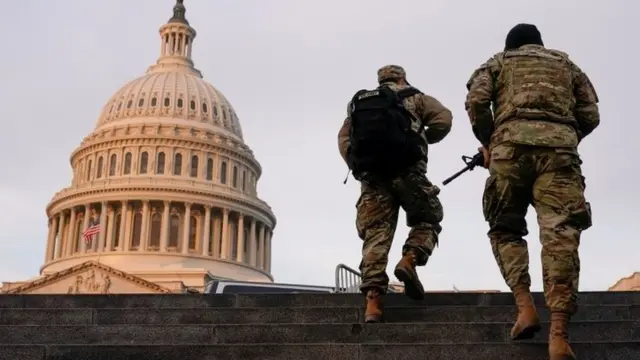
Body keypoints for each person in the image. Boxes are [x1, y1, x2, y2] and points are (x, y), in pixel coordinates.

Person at [465, 24, 600, 360]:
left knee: (504, 228)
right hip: (559, 154)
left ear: (511, 46)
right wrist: (562, 136)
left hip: (508, 151)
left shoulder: (497, 62)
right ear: (540, 44)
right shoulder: (567, 66)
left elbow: (477, 101)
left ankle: (525, 307)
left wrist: (489, 142)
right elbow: (591, 114)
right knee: (560, 236)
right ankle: (558, 336)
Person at [337, 65, 452, 323]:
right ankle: (410, 259)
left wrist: (356, 165)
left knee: (376, 237)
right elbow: (444, 120)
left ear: (380, 81)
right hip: (409, 173)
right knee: (429, 218)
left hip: (373, 180)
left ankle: (373, 305)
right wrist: (421, 139)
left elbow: (344, 138)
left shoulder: (359, 105)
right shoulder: (417, 98)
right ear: (402, 77)